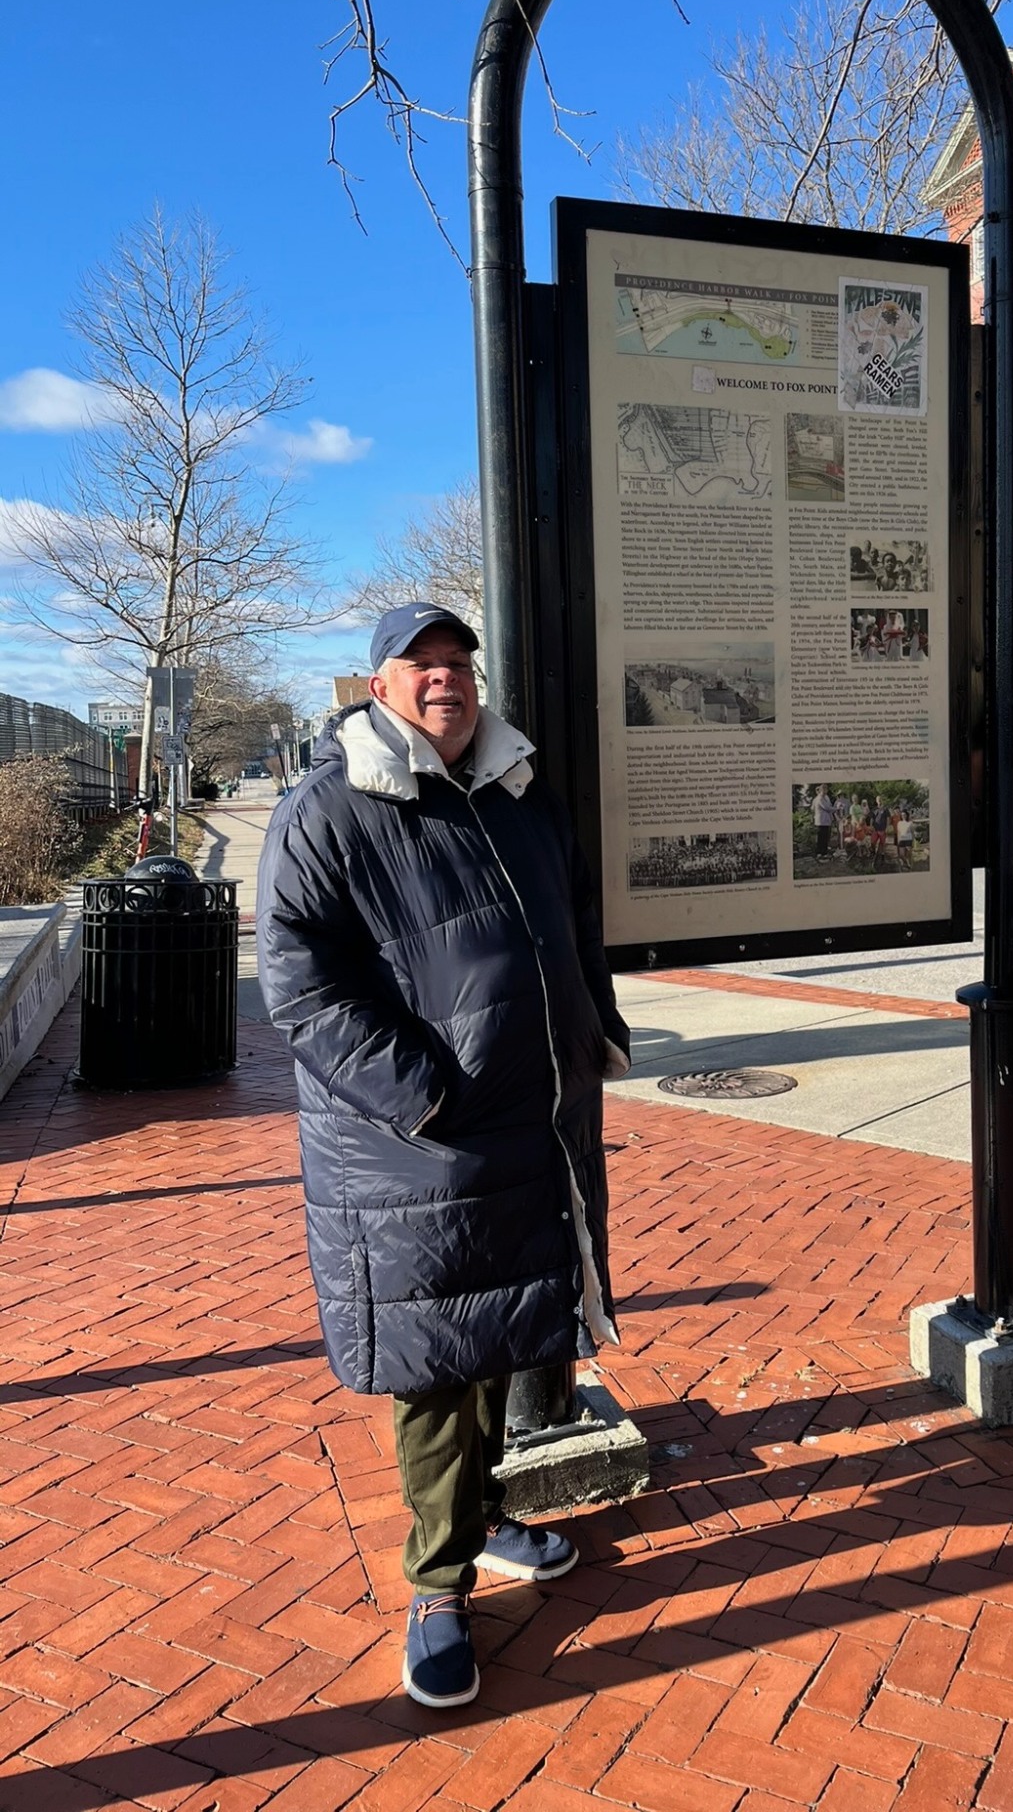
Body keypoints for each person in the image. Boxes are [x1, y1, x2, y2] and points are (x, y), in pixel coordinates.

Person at [256, 604, 630, 1710]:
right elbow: (300, 981)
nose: (444, 680)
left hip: (529, 1120)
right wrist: (421, 1095)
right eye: (420, 666)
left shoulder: (518, 789)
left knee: (505, 1325)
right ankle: (437, 1582)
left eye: (458, 662)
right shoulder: (328, 808)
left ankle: (481, 1516)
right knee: (433, 1360)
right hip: (411, 1143)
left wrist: (594, 1027)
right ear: (379, 686)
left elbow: (577, 916)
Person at [813, 785, 836, 857]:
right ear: (820, 790)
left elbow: (829, 806)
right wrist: (836, 808)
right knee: (821, 837)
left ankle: (824, 851)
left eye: (826, 790)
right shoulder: (819, 798)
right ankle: (820, 852)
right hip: (821, 821)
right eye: (823, 790)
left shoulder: (827, 797)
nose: (825, 791)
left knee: (826, 836)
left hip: (826, 820)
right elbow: (827, 808)